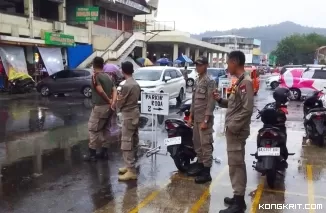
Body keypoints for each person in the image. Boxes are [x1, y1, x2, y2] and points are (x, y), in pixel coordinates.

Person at [213, 51, 254, 213]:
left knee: (236, 165)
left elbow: (247, 109)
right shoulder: (239, 82)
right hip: (234, 130)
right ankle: (237, 197)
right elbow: (233, 105)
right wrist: (219, 100)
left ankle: (239, 202)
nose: (227, 66)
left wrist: (233, 126)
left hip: (236, 131)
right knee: (234, 164)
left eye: (228, 62)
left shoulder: (246, 82)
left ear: (235, 62)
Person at [187, 56, 216, 184]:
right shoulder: (198, 80)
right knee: (197, 144)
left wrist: (206, 120)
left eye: (200, 65)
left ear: (206, 65)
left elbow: (211, 102)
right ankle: (200, 165)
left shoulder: (210, 81)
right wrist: (191, 117)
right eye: (196, 65)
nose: (197, 67)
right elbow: (194, 101)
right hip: (196, 118)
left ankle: (206, 172)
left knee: (206, 145)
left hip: (205, 120)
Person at [85, 57, 117, 162]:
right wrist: (112, 102)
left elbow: (100, 90)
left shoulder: (95, 76)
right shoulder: (108, 76)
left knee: (93, 129)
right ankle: (104, 152)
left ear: (93, 65)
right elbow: (114, 89)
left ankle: (92, 154)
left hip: (100, 107)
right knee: (106, 129)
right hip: (109, 107)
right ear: (103, 65)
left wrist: (108, 100)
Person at [116, 61, 141, 181]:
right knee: (134, 140)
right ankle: (129, 165)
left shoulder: (125, 85)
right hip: (135, 113)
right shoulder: (136, 83)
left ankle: (131, 170)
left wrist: (115, 106)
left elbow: (120, 101)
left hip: (128, 115)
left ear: (123, 71)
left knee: (126, 142)